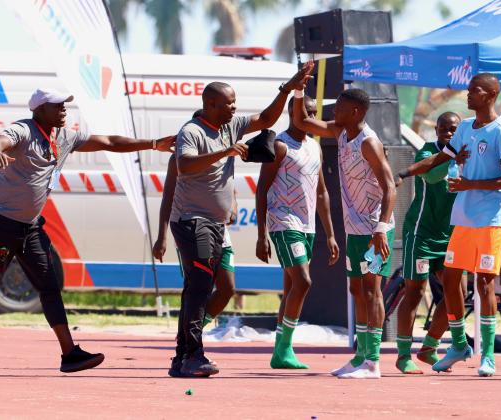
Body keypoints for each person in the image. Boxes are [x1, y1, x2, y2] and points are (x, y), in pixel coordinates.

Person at [0, 88, 175, 376]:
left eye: (64, 106)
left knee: (49, 284)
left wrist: (153, 143)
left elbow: (108, 142)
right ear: (39, 110)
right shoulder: (24, 130)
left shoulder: (64, 136)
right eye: (57, 106)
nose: (63, 110)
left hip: (30, 225)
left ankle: (69, 354)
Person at [168, 63, 314, 378]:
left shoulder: (230, 126)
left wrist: (287, 89)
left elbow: (266, 119)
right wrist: (223, 153)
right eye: (228, 103)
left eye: (235, 102)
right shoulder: (191, 131)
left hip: (216, 225)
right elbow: (184, 166)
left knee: (217, 287)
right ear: (210, 105)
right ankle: (192, 355)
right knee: (199, 287)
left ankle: (182, 355)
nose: (234, 108)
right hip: (192, 221)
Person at [398, 73, 501, 377]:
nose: (468, 95)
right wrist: (403, 173)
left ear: (490, 96)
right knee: (451, 280)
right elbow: (440, 158)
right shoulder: (465, 128)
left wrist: (470, 184)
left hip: (491, 219)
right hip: (463, 219)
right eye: (468, 91)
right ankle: (457, 344)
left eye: (474, 91)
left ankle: (488, 354)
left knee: (484, 283)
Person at [292, 78, 397, 379]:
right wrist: (299, 89)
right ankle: (360, 356)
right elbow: (301, 120)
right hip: (354, 229)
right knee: (356, 289)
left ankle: (373, 362)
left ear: (354, 111)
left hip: (376, 230)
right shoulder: (339, 132)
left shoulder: (369, 142)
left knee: (371, 289)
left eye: (338, 106)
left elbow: (390, 186)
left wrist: (380, 228)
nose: (333, 110)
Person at [255, 95, 339, 369]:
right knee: (304, 281)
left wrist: (330, 234)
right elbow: (262, 188)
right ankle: (284, 347)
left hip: (308, 225)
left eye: (314, 113)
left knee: (292, 287)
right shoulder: (280, 146)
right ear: (292, 113)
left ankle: (281, 353)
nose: (311, 117)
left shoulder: (315, 147)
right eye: (305, 112)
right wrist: (261, 233)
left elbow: (322, 191)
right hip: (283, 221)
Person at [153, 110, 238, 338]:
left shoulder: (224, 151)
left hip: (221, 229)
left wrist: (234, 205)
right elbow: (168, 197)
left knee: (227, 289)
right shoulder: (182, 159)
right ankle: (190, 340)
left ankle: (192, 332)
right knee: (199, 286)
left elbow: (229, 185)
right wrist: (161, 237)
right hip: (194, 227)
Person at [395, 112, 460, 374]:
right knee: (415, 292)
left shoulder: (466, 157)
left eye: (454, 129)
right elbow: (432, 177)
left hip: (451, 237)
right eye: (444, 127)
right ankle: (402, 355)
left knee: (456, 295)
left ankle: (429, 348)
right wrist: (453, 156)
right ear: (436, 130)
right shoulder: (426, 152)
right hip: (421, 234)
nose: (449, 132)